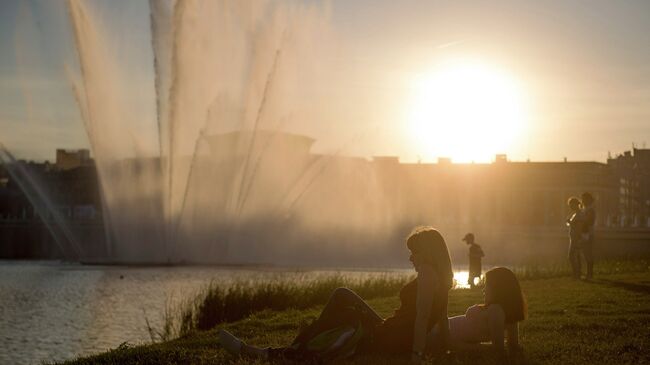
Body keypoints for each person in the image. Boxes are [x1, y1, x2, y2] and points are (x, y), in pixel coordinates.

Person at [218, 226, 454, 363]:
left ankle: (262, 352)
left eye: (415, 252)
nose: (411, 258)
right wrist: (447, 348)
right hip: (390, 331)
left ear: (429, 252)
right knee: (342, 299)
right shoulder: (442, 280)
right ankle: (301, 338)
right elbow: (441, 318)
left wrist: (416, 355)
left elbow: (422, 318)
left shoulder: (427, 272)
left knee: (341, 302)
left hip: (388, 337)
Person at [432, 267, 527, 362]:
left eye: (487, 286)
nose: (484, 290)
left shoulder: (496, 310)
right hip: (438, 331)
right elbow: (509, 346)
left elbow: (499, 349)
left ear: (498, 289)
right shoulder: (501, 311)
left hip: (441, 334)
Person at [566, 197, 584, 279]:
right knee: (576, 256)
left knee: (571, 256)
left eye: (571, 205)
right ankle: (577, 273)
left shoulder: (579, 214)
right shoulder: (575, 214)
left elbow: (579, 227)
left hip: (576, 238)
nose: (570, 207)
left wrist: (570, 223)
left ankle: (576, 273)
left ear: (575, 204)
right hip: (573, 238)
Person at [581, 192, 596, 279]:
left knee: (588, 253)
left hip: (588, 234)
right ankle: (589, 273)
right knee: (586, 253)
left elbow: (590, 221)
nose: (583, 200)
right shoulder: (585, 209)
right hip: (585, 233)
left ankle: (589, 274)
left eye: (585, 199)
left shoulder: (590, 210)